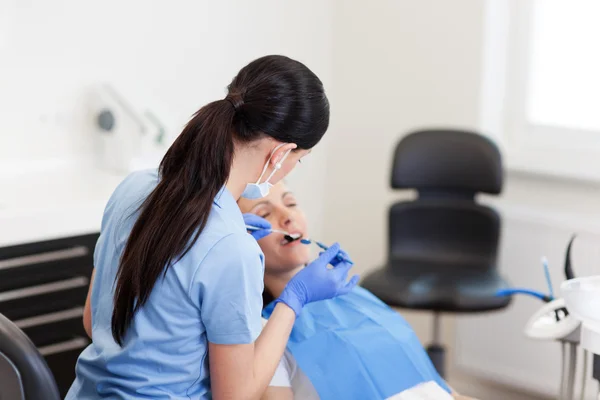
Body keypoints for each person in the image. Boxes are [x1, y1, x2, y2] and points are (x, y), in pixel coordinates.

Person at [66, 55, 358, 399]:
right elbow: (235, 396)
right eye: (299, 160)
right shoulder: (231, 248)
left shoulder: (132, 188)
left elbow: (93, 322)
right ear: (280, 153)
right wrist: (294, 300)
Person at [238, 182, 478, 400]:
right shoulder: (263, 331)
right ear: (241, 242)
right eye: (264, 214)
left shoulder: (357, 297)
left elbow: (430, 380)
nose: (287, 216)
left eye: (291, 203)